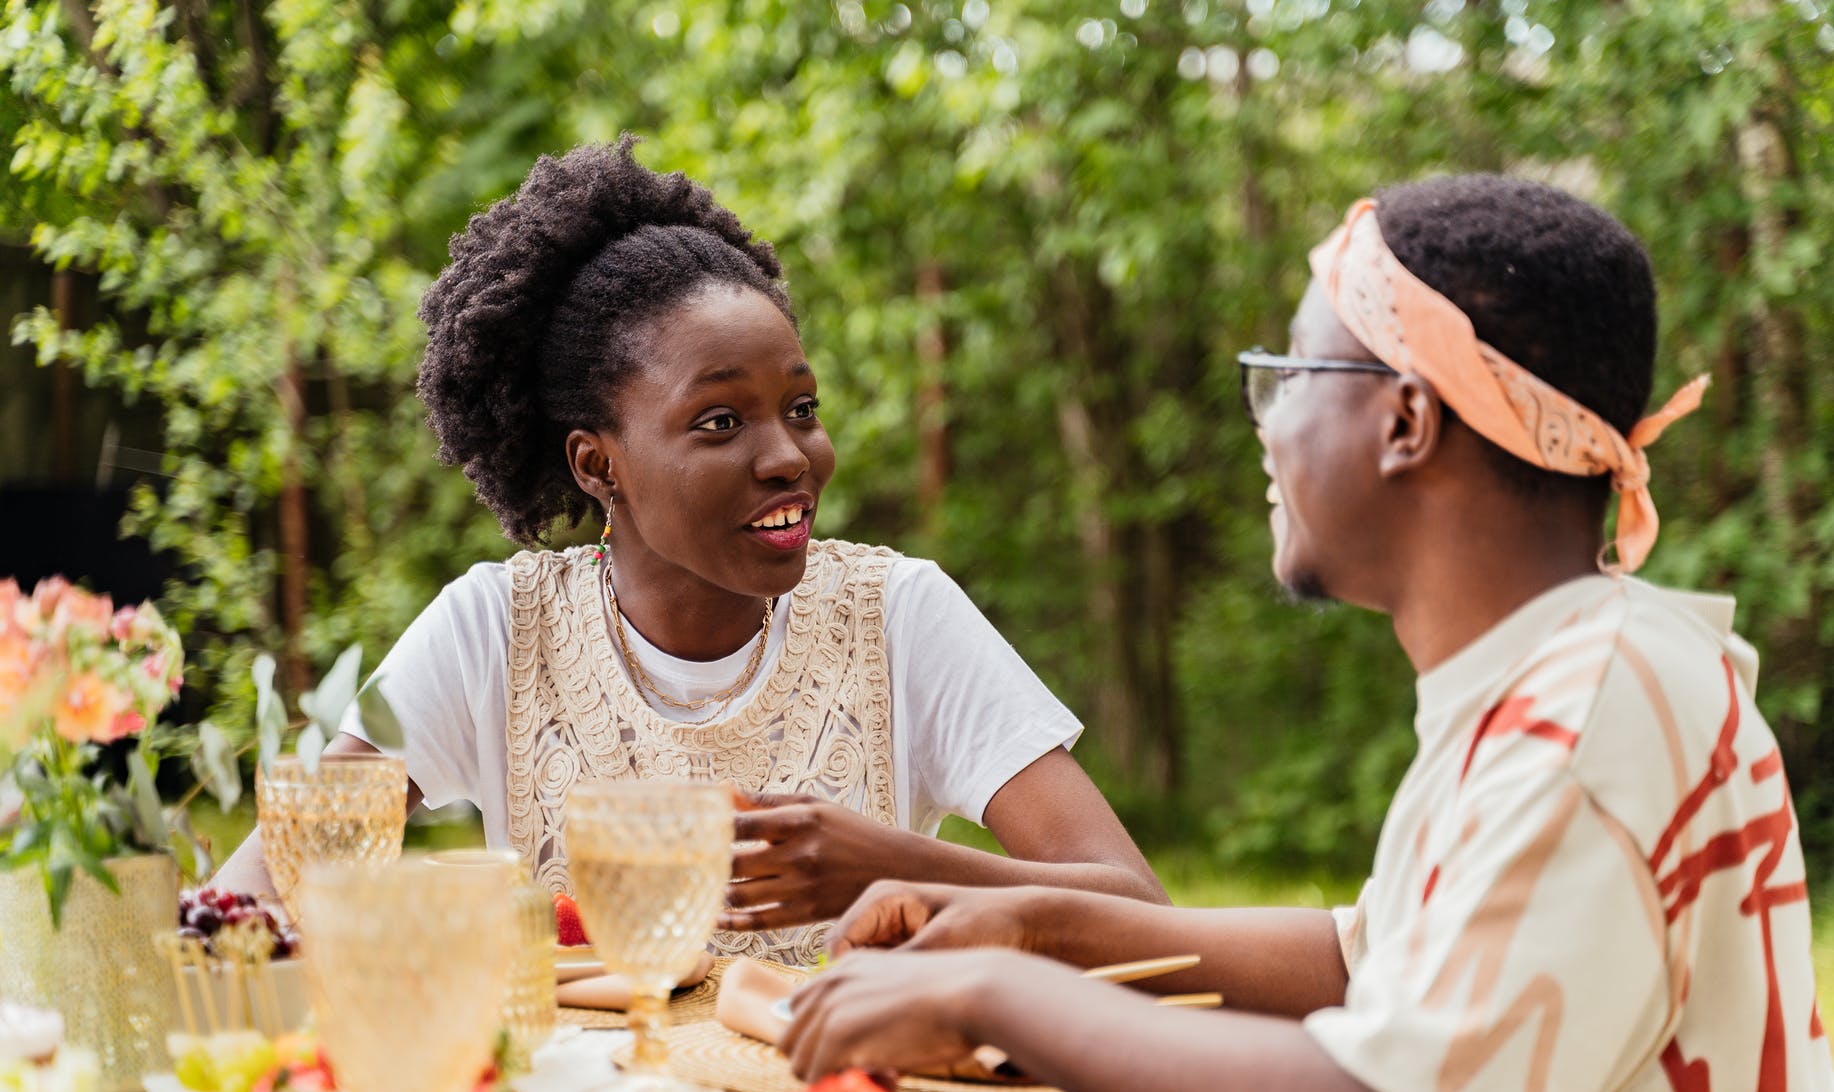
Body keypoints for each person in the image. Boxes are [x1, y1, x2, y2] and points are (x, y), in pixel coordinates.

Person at [779, 175, 1834, 1092]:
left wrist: (993, 994)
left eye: (1287, 374)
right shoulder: (1563, 670)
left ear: (1405, 419)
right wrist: (1040, 927)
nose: (1263, 424)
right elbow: (1369, 963)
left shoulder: (1582, 717)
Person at [214, 136, 1164, 965]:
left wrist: (894, 863)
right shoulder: (492, 629)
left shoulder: (898, 614)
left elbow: (1141, 911)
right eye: (720, 420)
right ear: (598, 464)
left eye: (802, 408)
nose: (790, 456)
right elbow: (269, 886)